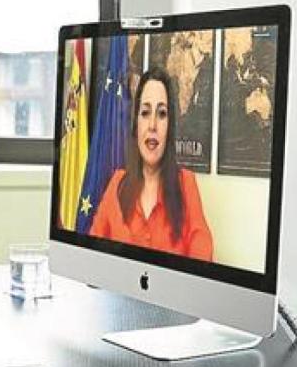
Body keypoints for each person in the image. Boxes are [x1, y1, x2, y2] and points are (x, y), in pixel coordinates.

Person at [89, 68, 214, 260]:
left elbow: (202, 261)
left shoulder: (187, 184)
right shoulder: (117, 183)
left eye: (162, 114)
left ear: (169, 126)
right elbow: (91, 258)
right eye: (145, 113)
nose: (153, 125)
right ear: (136, 124)